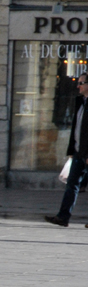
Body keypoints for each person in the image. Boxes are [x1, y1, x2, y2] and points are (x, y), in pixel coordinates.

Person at [46, 72, 88, 227]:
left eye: (81, 83)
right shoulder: (80, 102)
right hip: (78, 151)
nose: (78, 86)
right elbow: (77, 128)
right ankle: (63, 217)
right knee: (72, 184)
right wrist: (72, 150)